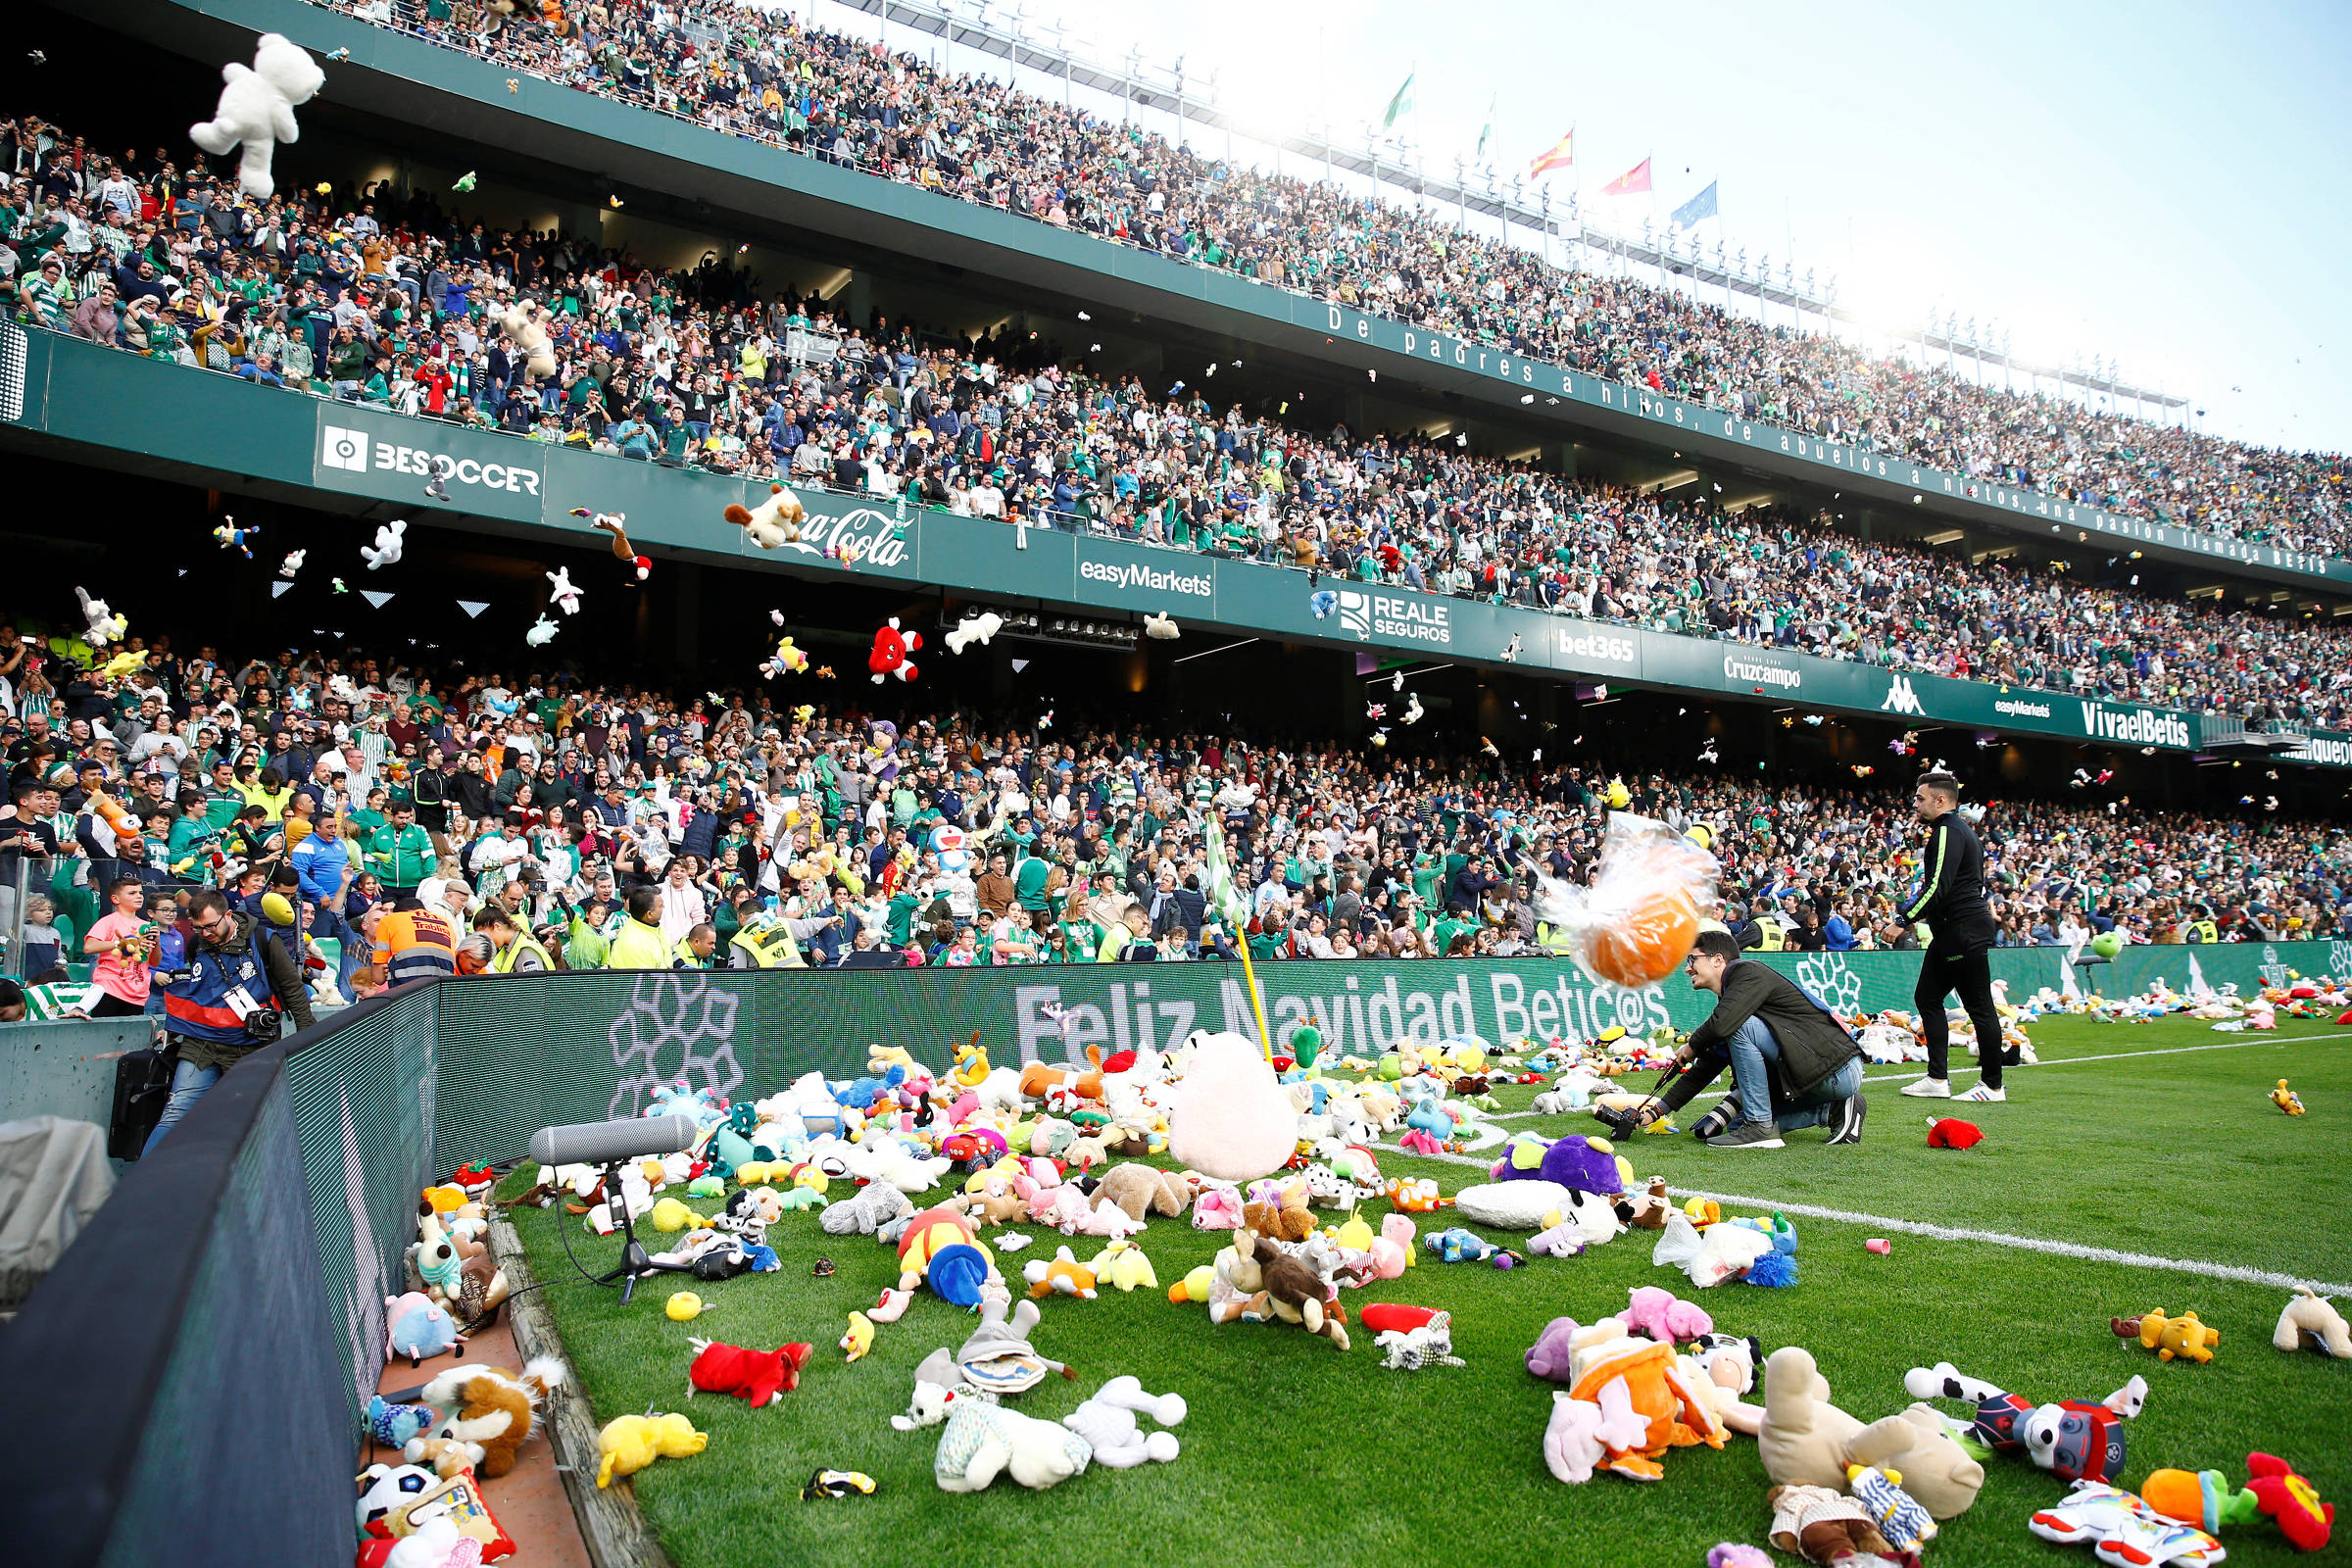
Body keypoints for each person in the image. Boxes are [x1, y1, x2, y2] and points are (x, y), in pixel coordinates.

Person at [1633, 929, 1866, 1150]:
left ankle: (1758, 1126)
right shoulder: (1733, 1002)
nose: (1687, 968)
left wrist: (1692, 1045)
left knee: (1739, 1026)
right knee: (1733, 1127)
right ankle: (1832, 1109)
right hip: (1820, 1075)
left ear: (1717, 959)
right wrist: (1655, 1112)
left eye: (1692, 959)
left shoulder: (1747, 972)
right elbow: (1707, 1067)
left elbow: (1723, 1023)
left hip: (1836, 1070)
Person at [146, 886, 315, 1154]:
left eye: (210, 926)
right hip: (201, 1044)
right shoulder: (195, 943)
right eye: (198, 928)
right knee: (176, 1113)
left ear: (228, 915)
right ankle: (144, 1185)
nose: (205, 934)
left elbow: (292, 988)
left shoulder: (263, 940)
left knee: (250, 1122)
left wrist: (308, 1037)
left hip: (253, 1045)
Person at [1896, 771, 2009, 1104]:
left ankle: (1991, 1086)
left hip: (1962, 930)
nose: (1915, 804)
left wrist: (1904, 918)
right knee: (1927, 998)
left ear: (1940, 800)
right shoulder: (1960, 831)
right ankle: (1937, 1078)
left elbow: (1937, 886)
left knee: (1980, 1008)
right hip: (1955, 930)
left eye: (1920, 798)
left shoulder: (1947, 830)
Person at [82, 874, 156, 1018]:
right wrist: (121, 943)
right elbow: (89, 947)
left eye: (140, 892)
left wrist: (157, 943)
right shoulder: (109, 921)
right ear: (116, 899)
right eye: (132, 893)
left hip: (137, 991)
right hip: (110, 988)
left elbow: (154, 962)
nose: (139, 896)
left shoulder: (147, 926)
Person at [369, 892, 458, 988]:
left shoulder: (389, 919)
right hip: (441, 991)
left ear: (398, 913)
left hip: (407, 992)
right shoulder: (446, 924)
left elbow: (378, 977)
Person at [605, 886, 671, 968]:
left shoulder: (654, 926)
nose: (663, 907)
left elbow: (668, 951)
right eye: (661, 906)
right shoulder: (633, 943)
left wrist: (681, 964)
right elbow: (646, 979)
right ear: (649, 914)